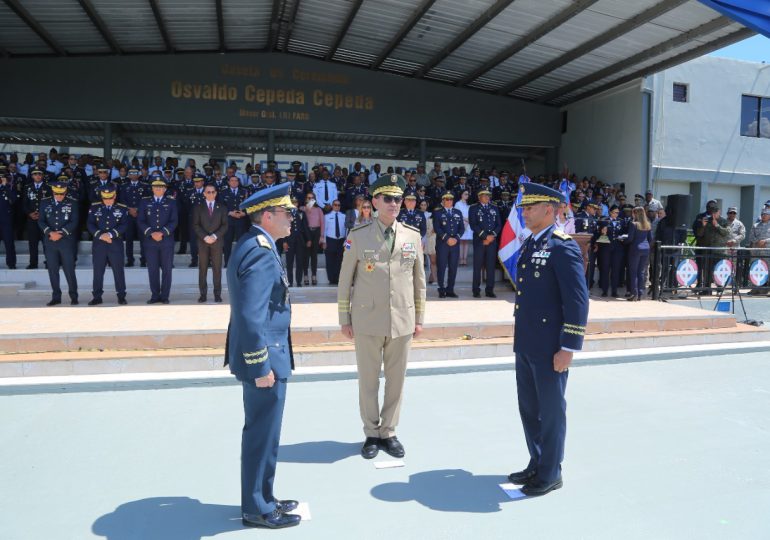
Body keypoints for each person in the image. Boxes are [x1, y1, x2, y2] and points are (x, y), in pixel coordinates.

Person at [224, 182, 301, 530]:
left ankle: (263, 496)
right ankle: (256, 507)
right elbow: (251, 315)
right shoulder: (259, 250)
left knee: (266, 433)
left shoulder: (257, 244)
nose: (292, 218)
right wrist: (260, 365)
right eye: (287, 213)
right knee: (261, 434)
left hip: (266, 355)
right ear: (267, 216)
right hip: (264, 359)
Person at [508, 183, 589, 497]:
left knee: (551, 411)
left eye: (530, 207)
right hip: (527, 342)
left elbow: (577, 301)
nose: (524, 212)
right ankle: (537, 462)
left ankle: (551, 472)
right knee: (529, 408)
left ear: (550, 209)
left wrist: (568, 347)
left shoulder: (562, 246)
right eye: (524, 208)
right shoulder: (531, 242)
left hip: (550, 347)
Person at [337, 173, 426, 460]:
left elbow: (419, 280)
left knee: (397, 381)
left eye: (398, 199)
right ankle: (371, 433)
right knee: (369, 380)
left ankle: (389, 431)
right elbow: (345, 279)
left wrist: (420, 317)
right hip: (367, 320)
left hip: (402, 320)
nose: (394, 204)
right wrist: (344, 318)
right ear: (375, 201)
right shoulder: (358, 235)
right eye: (387, 198)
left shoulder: (412, 235)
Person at [38, 181, 79, 306]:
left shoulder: (72, 203)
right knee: (52, 270)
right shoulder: (45, 202)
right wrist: (50, 233)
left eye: (61, 194)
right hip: (50, 241)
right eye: (56, 193)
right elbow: (41, 221)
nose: (59, 196)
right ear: (53, 192)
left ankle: (74, 296)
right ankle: (56, 296)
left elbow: (74, 221)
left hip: (66, 241)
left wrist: (61, 233)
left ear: (65, 192)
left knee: (69, 269)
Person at [86, 184, 128, 305]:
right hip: (99, 244)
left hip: (115, 244)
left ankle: (121, 295)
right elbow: (90, 224)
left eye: (110, 197)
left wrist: (110, 235)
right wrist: (101, 235)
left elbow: (124, 225)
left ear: (114, 196)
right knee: (98, 271)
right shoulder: (94, 208)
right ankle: (97, 296)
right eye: (105, 198)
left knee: (118, 271)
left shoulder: (121, 208)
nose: (107, 200)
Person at [138, 179, 178, 304]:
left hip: (166, 241)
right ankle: (155, 295)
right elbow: (140, 220)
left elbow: (174, 221)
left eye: (161, 187)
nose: (158, 189)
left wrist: (162, 233)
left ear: (165, 189)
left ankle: (165, 296)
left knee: (166, 269)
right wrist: (151, 233)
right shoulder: (145, 202)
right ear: (152, 189)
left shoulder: (171, 202)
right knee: (153, 269)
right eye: (156, 187)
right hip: (150, 241)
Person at [192, 184, 228, 303]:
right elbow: (196, 225)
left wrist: (214, 236)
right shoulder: (198, 207)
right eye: (208, 192)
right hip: (203, 243)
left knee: (217, 269)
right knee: (202, 269)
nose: (211, 194)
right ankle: (203, 295)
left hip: (217, 242)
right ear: (204, 194)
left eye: (213, 192)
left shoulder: (222, 207)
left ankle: (217, 294)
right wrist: (205, 237)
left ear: (216, 193)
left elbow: (225, 225)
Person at [469, 189, 501, 298]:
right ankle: (476, 290)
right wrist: (485, 236)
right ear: (479, 197)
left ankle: (490, 290)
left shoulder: (494, 208)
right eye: (484, 195)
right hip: (479, 241)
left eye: (488, 195)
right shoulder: (473, 208)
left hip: (492, 241)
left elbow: (498, 224)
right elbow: (473, 225)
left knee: (490, 266)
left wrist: (491, 236)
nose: (487, 197)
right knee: (477, 266)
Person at [433, 192, 464, 298]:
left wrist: (456, 238)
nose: (449, 201)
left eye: (451, 199)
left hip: (455, 244)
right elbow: (437, 228)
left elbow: (462, 228)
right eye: (446, 199)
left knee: (453, 267)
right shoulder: (437, 213)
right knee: (441, 267)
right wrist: (447, 238)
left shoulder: (458, 212)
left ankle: (450, 289)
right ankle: (441, 289)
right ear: (443, 201)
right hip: (443, 244)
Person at [118, 168, 149, 267]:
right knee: (129, 239)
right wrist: (129, 209)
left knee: (143, 238)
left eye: (135, 173)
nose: (133, 175)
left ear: (139, 174)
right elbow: (121, 200)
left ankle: (144, 260)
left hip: (141, 216)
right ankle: (130, 260)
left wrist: (137, 210)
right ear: (129, 175)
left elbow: (147, 200)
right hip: (128, 216)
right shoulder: (123, 186)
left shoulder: (145, 186)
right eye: (131, 173)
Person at [23, 167, 51, 269]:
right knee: (32, 243)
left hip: (45, 220)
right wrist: (30, 213)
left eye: (40, 174)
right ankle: (33, 263)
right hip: (32, 220)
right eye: (35, 174)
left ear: (43, 175)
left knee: (46, 243)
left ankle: (49, 262)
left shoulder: (48, 187)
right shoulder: (27, 187)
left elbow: (50, 204)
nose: (38, 176)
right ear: (32, 176)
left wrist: (42, 214)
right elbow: (24, 204)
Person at [623, 206, 652, 302]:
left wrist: (623, 241)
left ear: (636, 214)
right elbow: (650, 239)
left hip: (635, 249)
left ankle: (634, 294)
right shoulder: (647, 224)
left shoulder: (633, 224)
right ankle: (640, 293)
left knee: (633, 272)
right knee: (641, 272)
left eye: (633, 213)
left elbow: (630, 239)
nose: (632, 214)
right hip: (646, 249)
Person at [282, 197, 311, 287]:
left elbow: (305, 227)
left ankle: (299, 281)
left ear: (298, 203)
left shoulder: (301, 213)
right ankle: (289, 281)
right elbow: (283, 227)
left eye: (296, 202)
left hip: (300, 240)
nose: (294, 204)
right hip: (289, 240)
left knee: (299, 261)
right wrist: (284, 241)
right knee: (289, 262)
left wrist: (308, 239)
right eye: (293, 202)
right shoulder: (286, 213)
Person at [322, 200, 347, 284]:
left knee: (339, 260)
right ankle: (331, 279)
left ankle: (337, 278)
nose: (337, 206)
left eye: (338, 205)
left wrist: (346, 241)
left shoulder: (344, 216)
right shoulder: (326, 216)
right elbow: (324, 230)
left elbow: (346, 229)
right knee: (330, 261)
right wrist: (324, 242)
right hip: (330, 240)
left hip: (341, 240)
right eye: (335, 205)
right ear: (332, 206)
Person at [301, 193, 324, 285]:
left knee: (314, 255)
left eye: (312, 198)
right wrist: (308, 205)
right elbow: (306, 210)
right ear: (306, 199)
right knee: (306, 255)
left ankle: (314, 275)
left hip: (316, 232)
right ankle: (305, 275)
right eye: (308, 198)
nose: (310, 199)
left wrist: (322, 236)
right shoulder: (302, 209)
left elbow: (323, 223)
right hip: (306, 233)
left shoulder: (319, 210)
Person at [0, 172, 17, 269]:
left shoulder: (7, 188)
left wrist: (5, 185)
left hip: (6, 220)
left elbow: (13, 199)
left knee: (9, 243)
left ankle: (11, 263)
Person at [454, 190, 472, 265]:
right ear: (461, 195)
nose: (467, 195)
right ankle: (461, 259)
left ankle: (465, 259)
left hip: (468, 224)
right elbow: (456, 214)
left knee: (466, 241)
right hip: (460, 224)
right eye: (465, 194)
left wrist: (468, 222)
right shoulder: (458, 204)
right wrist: (465, 220)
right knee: (461, 242)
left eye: (467, 194)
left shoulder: (468, 204)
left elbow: (470, 214)